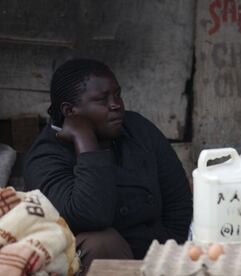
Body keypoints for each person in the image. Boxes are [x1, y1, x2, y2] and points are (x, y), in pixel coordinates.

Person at [23, 58, 193, 274]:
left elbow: (177, 201)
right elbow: (90, 215)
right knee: (102, 242)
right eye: (102, 100)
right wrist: (85, 141)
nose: (116, 105)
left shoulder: (137, 129)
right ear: (69, 111)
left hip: (156, 253)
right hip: (86, 263)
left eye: (118, 95)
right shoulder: (45, 157)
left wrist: (169, 255)